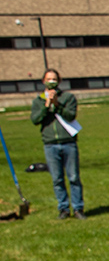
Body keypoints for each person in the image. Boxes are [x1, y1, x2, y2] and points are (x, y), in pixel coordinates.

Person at [29, 68, 85, 220]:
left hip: (68, 143)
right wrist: (46, 105)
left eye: (54, 79)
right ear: (43, 81)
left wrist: (57, 105)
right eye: (48, 79)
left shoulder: (67, 98)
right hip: (50, 144)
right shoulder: (38, 101)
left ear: (59, 81)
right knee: (57, 178)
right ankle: (63, 209)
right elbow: (35, 120)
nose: (51, 82)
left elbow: (71, 115)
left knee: (73, 177)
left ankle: (78, 208)